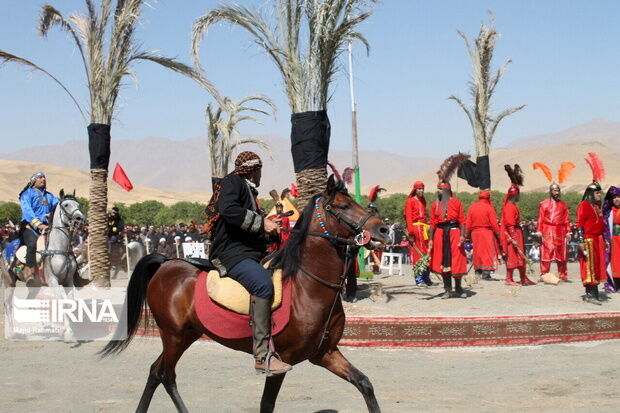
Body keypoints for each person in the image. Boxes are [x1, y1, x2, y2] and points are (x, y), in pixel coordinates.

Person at [206, 151, 291, 376]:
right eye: (261, 170)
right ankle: (262, 356)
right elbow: (229, 210)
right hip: (231, 254)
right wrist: (262, 222)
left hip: (248, 252)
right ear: (254, 170)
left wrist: (271, 231)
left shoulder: (249, 191)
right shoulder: (233, 182)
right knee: (263, 284)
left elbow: (247, 228)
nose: (261, 175)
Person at [429, 154, 469, 299]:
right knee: (442, 261)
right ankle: (447, 289)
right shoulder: (435, 205)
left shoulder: (456, 203)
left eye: (440, 190)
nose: (437, 192)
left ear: (445, 190)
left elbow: (462, 220)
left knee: (457, 261)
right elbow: (432, 222)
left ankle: (458, 288)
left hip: (454, 233)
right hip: (440, 234)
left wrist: (463, 235)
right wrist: (431, 239)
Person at [18, 172, 58, 286]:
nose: (43, 179)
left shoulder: (50, 196)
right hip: (30, 227)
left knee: (64, 243)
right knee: (32, 244)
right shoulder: (26, 194)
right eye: (40, 177)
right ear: (33, 181)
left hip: (48, 228)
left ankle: (74, 274)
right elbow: (27, 211)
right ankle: (29, 272)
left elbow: (58, 207)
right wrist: (38, 224)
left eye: (44, 177)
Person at [500, 165, 536, 286]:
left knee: (520, 256)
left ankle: (523, 278)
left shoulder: (513, 205)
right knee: (513, 256)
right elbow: (510, 224)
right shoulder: (509, 207)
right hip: (513, 234)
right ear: (515, 195)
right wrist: (514, 238)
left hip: (517, 233)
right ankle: (508, 279)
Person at [576, 178, 606, 304]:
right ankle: (589, 294)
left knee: (597, 267)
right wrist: (581, 240)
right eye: (597, 193)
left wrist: (604, 239)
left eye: (600, 193)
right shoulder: (584, 206)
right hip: (588, 239)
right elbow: (579, 225)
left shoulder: (597, 207)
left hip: (597, 239)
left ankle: (595, 292)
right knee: (589, 267)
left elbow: (601, 225)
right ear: (590, 194)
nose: (599, 195)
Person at [535, 183, 571, 280]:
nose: (556, 192)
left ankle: (563, 275)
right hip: (547, 230)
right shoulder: (544, 203)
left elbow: (566, 219)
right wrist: (539, 230)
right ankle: (544, 274)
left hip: (560, 230)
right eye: (554, 190)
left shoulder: (563, 204)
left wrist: (568, 231)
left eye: (558, 190)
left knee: (561, 253)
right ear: (550, 191)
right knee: (547, 251)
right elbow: (540, 218)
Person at [465, 190, 502, 281]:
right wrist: (498, 235)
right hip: (486, 232)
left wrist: (467, 235)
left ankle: (478, 272)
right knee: (487, 253)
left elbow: (468, 223)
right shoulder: (489, 208)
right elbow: (494, 223)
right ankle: (486, 274)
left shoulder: (472, 207)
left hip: (475, 233)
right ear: (488, 198)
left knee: (477, 253)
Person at [404, 181, 433, 286]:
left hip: (424, 229)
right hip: (415, 229)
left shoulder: (423, 201)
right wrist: (411, 233)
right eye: (419, 188)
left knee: (426, 253)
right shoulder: (410, 201)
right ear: (415, 190)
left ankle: (426, 278)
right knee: (417, 254)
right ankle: (419, 279)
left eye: (422, 189)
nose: (421, 190)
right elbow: (408, 217)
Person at [603, 186, 620, 292]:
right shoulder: (608, 213)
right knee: (614, 263)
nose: (616, 199)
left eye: (618, 197)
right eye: (614, 197)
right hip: (613, 241)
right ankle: (614, 285)